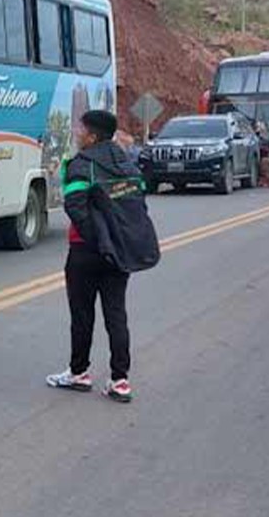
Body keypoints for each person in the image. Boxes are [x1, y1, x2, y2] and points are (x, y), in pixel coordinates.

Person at [47, 110, 160, 404]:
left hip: (86, 251)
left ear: (93, 136)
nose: (76, 132)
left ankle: (79, 373)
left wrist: (98, 241)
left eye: (80, 129)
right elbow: (137, 203)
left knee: (82, 314)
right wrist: (115, 242)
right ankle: (120, 380)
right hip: (119, 251)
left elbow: (74, 207)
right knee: (116, 314)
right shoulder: (125, 161)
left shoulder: (80, 164)